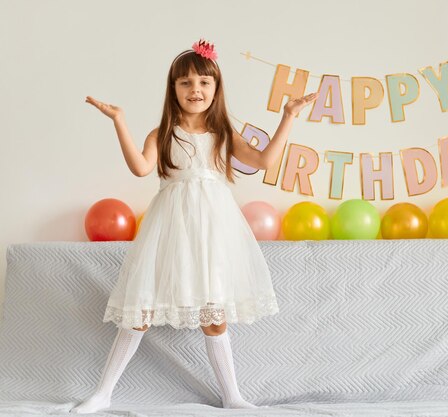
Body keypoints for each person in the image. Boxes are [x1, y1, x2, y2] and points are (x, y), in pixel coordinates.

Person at [70, 39, 319, 414]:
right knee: (141, 312)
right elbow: (140, 167)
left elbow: (265, 161)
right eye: (185, 83)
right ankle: (103, 393)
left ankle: (232, 396)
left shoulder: (223, 134)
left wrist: (288, 116)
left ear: (216, 89)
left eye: (204, 83)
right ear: (173, 89)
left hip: (212, 232)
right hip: (169, 229)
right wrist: (119, 121)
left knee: (213, 316)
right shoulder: (162, 134)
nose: (195, 90)